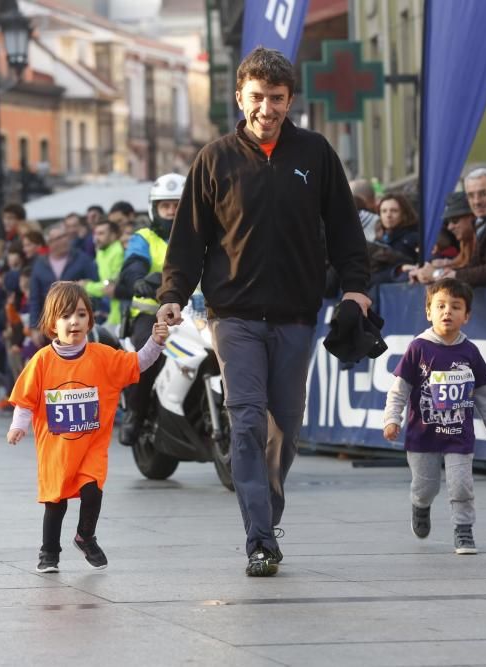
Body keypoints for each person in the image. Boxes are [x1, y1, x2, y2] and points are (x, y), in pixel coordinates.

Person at [155, 47, 370, 577]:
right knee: (246, 420)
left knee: (285, 429)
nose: (266, 108)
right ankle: (259, 537)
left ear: (290, 98)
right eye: (257, 97)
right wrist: (172, 296)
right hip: (233, 315)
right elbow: (188, 242)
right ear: (240, 97)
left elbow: (346, 232)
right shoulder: (214, 159)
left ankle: (265, 514)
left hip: (297, 313)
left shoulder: (316, 154)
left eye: (276, 98)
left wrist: (357, 292)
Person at [6, 281, 169, 573]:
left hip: (91, 447)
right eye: (66, 315)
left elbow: (137, 364)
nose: (74, 321)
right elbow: (26, 400)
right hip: (57, 451)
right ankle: (49, 553)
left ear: (90, 319)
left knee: (92, 492)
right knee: (55, 504)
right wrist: (19, 425)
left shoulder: (102, 356)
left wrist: (155, 342)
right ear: (52, 324)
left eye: (81, 314)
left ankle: (85, 536)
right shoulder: (42, 361)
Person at [382, 278, 486, 555]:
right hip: (422, 436)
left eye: (455, 306)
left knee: (461, 485)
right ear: (429, 312)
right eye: (440, 306)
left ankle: (463, 530)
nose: (447, 311)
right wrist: (392, 419)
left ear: (467, 315)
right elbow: (398, 390)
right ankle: (420, 505)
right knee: (425, 487)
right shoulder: (418, 348)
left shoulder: (470, 353)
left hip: (458, 437)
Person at [114, 172, 185, 445]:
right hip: (151, 314)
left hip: (196, 315)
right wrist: (139, 280)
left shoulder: (203, 237)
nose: (171, 212)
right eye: (165, 206)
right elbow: (133, 264)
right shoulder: (143, 237)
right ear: (154, 209)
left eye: (177, 205)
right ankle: (136, 412)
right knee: (147, 356)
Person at [410, 168, 486, 287]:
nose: (476, 201)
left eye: (483, 194)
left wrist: (438, 274)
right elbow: (474, 268)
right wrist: (436, 271)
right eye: (471, 196)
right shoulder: (481, 224)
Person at [28, 223, 99, 347]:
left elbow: (95, 287)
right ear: (49, 243)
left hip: (77, 324)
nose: (64, 240)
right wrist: (34, 327)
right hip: (50, 326)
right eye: (59, 238)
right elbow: (34, 297)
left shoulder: (82, 259)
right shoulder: (39, 265)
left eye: (65, 236)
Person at [369, 193, 419, 285]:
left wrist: (399, 270)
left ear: (404, 213)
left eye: (394, 211)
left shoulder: (414, 238)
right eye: (384, 211)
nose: (388, 215)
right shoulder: (378, 241)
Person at [82, 220, 123, 329]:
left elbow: (110, 288)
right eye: (95, 234)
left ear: (113, 235)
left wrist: (86, 286)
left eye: (101, 233)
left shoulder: (119, 251)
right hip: (111, 313)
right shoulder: (101, 252)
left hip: (121, 314)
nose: (96, 238)